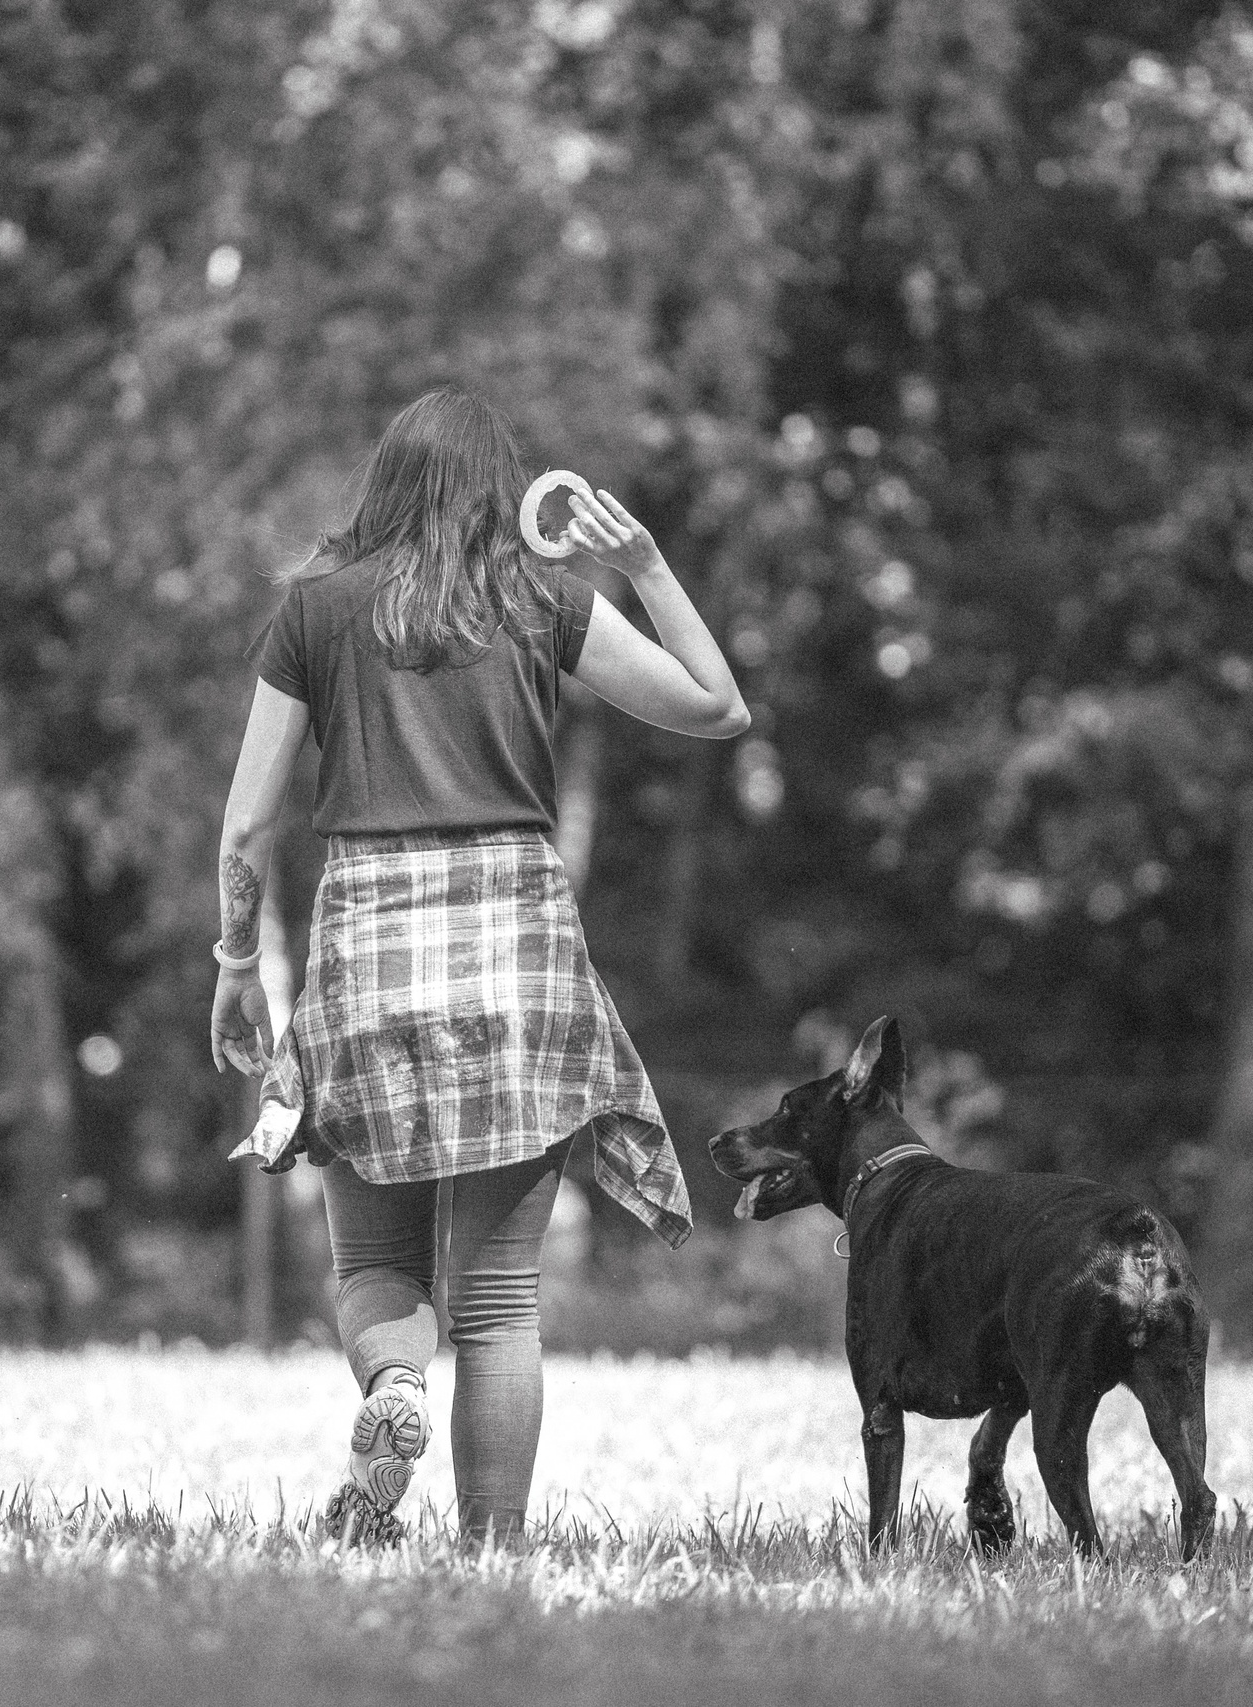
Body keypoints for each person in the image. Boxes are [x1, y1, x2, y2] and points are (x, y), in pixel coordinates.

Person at [207, 387, 748, 1547]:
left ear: (386, 484)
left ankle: (395, 1383)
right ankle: (492, 1553)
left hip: (370, 951)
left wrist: (237, 962)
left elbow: (247, 824)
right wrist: (645, 565)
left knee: (374, 1259)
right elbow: (717, 708)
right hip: (517, 953)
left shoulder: (316, 607)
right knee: (499, 1303)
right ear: (501, 492)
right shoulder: (542, 600)